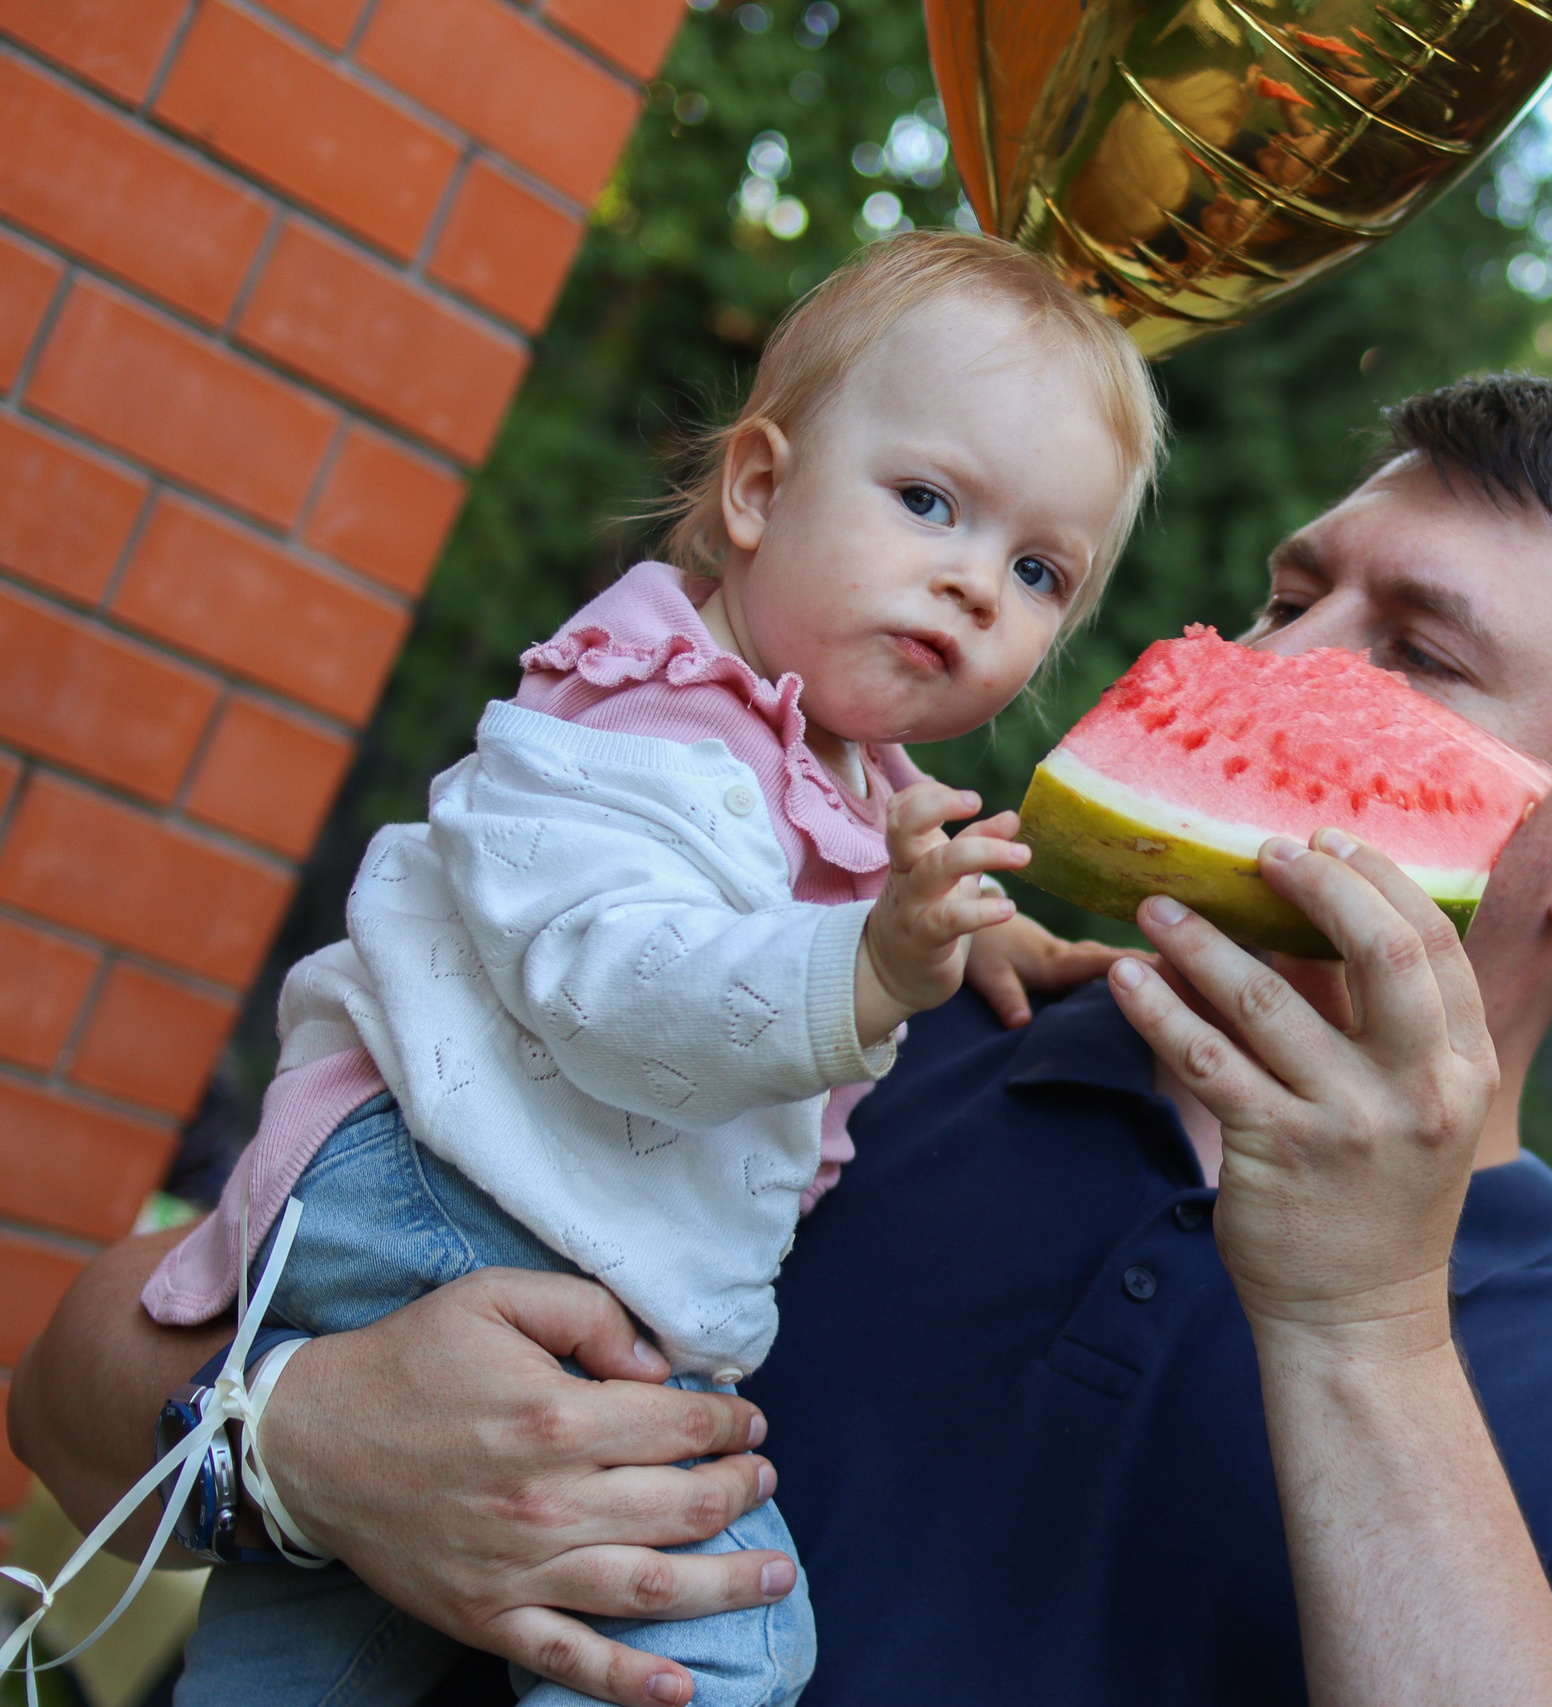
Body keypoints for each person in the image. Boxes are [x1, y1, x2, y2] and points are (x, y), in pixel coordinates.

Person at [12, 373, 1552, 1707]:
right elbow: (72, 1391)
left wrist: (1357, 1324)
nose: (1278, 670)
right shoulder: (851, 1005)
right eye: (1289, 598)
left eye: (1415, 651)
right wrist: (294, 1450)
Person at [120, 229, 1163, 1707]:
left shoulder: (836, 772)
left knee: (328, 1641)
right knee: (721, 1637)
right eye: (929, 502)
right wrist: (865, 967)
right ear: (756, 488)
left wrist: (974, 926)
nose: (976, 584)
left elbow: (818, 863)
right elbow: (617, 977)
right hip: (454, 1188)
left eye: (1040, 569)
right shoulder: (636, 709)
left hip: (508, 1204)